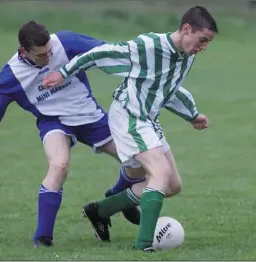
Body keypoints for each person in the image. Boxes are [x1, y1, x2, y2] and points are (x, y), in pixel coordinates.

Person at [0, 21, 150, 248]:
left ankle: (115, 200)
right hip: (54, 122)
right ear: (23, 52)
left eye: (50, 53)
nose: (48, 59)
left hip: (90, 116)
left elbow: (105, 51)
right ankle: (43, 238)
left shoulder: (65, 42)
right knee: (59, 165)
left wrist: (143, 59)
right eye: (40, 56)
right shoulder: (12, 75)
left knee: (138, 163)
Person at [42, 6, 218, 252]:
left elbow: (169, 88)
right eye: (202, 40)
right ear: (187, 29)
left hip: (148, 119)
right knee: (159, 173)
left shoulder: (186, 57)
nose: (204, 47)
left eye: (208, 43)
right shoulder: (148, 46)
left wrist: (192, 114)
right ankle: (144, 246)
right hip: (129, 115)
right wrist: (63, 73)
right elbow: (101, 52)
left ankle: (100, 211)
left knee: (173, 185)